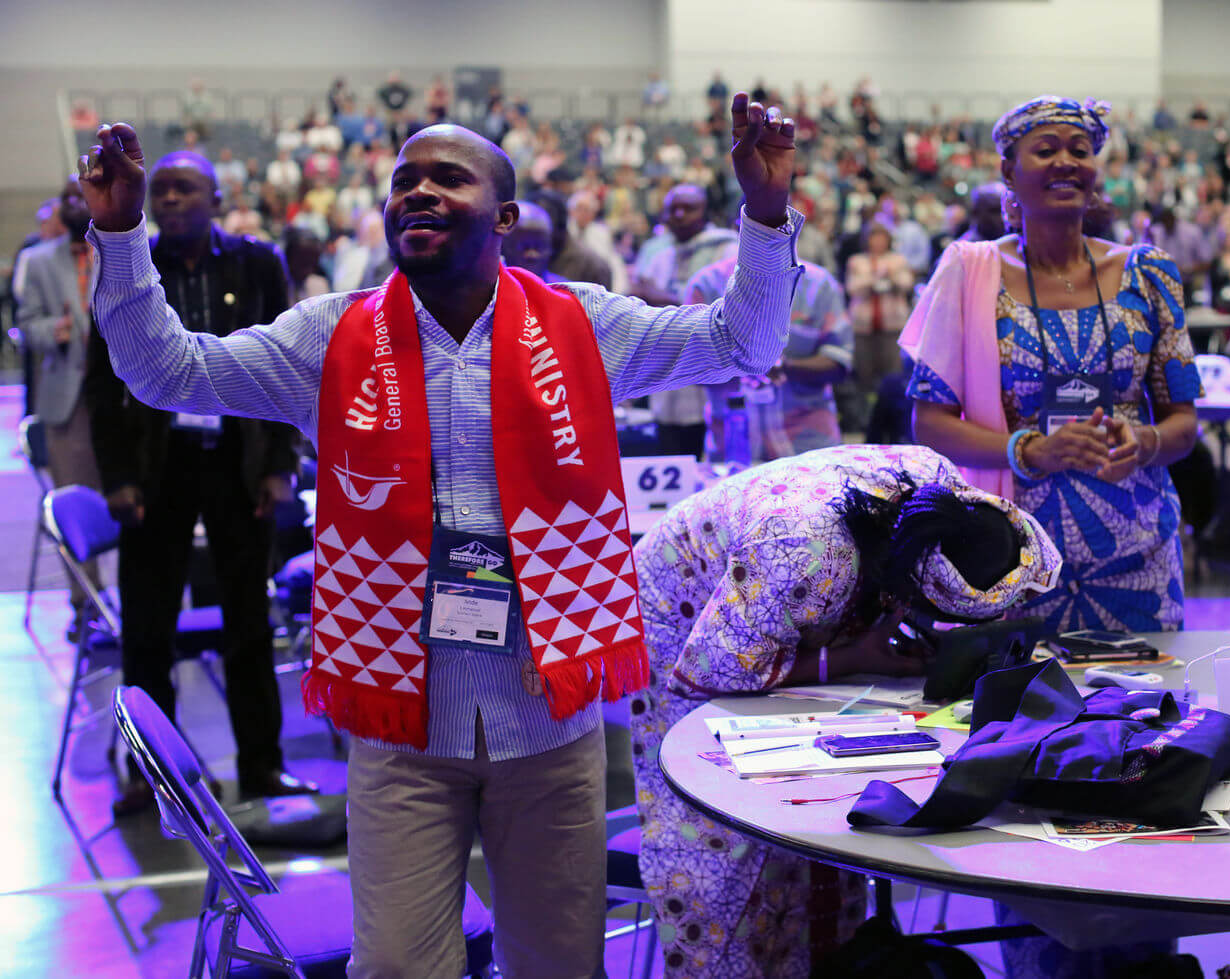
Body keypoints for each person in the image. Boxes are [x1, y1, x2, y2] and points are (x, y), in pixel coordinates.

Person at [78, 93, 800, 977]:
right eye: (402, 181)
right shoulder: (329, 336)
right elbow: (166, 370)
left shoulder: (584, 326)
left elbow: (742, 341)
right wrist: (118, 239)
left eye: (446, 179)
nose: (416, 192)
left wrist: (765, 216)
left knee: (559, 966)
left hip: (547, 720)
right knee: (397, 968)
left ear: (504, 218)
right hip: (400, 728)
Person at [630, 443, 1061, 978]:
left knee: (816, 825)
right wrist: (849, 657)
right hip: (680, 620)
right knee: (725, 851)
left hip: (768, 604)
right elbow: (713, 669)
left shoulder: (940, 495)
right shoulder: (804, 549)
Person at [904, 96, 1202, 636]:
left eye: (1080, 150)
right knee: (1021, 714)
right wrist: (1031, 449)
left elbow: (1185, 423)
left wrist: (1145, 444)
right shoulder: (969, 273)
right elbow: (929, 423)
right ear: (1008, 172)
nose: (1065, 161)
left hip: (1139, 552)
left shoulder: (1150, 274)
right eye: (1045, 150)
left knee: (1146, 710)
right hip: (1014, 556)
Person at [79, 151, 306, 815]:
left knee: (250, 622)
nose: (173, 200)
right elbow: (101, 381)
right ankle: (153, 774)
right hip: (156, 465)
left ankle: (263, 764)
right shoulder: (127, 267)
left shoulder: (257, 263)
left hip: (239, 458)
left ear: (215, 196)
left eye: (187, 189)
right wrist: (116, 476)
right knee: (148, 626)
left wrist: (280, 465)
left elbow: (291, 369)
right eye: (164, 190)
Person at [16, 177, 104, 617]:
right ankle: (87, 606)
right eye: (68, 198)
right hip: (66, 401)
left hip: (121, 399)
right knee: (74, 503)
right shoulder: (37, 260)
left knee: (128, 497)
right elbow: (24, 326)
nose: (75, 204)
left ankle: (134, 602)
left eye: (82, 196)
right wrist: (56, 330)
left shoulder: (119, 252)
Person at [686, 248, 852, 462]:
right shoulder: (707, 284)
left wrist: (783, 367)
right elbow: (691, 367)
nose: (769, 232)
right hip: (733, 447)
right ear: (740, 223)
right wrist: (741, 365)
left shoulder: (819, 284)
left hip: (808, 448)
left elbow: (840, 363)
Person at [633, 184, 741, 457]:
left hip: (710, 374)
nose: (679, 215)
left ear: (706, 212)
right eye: (673, 209)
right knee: (671, 450)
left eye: (689, 208)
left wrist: (660, 297)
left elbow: (723, 309)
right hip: (667, 370)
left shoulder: (727, 249)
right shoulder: (660, 253)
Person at [844, 218, 913, 401]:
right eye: (875, 238)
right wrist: (873, 278)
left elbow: (907, 284)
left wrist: (891, 275)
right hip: (863, 326)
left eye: (882, 238)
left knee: (892, 372)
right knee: (864, 372)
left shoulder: (898, 260)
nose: (878, 242)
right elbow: (852, 288)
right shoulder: (856, 261)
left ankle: (892, 412)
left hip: (891, 325)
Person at [500, 200, 567, 284]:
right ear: (503, 247)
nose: (532, 255)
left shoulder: (562, 291)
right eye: (524, 247)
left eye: (539, 247)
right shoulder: (490, 289)